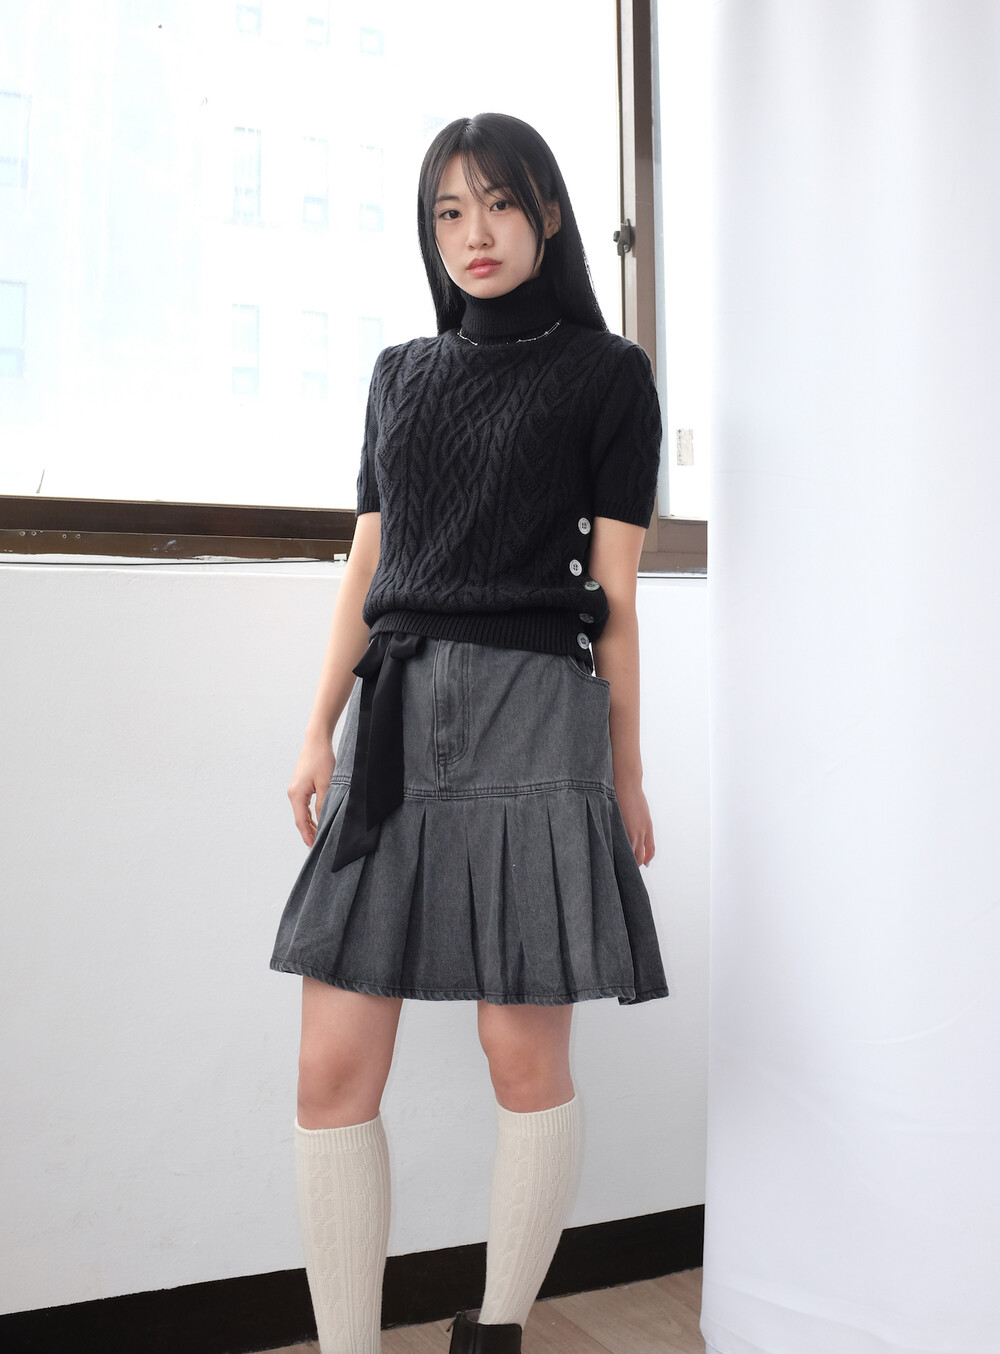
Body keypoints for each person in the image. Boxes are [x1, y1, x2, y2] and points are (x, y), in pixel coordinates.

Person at [269, 111, 669, 1354]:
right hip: (396, 718)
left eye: (497, 203)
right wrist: (317, 726)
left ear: (546, 213)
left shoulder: (608, 374)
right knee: (331, 1069)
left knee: (517, 1052)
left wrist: (625, 771)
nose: (473, 233)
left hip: (535, 715)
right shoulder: (401, 372)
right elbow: (368, 562)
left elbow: (615, 594)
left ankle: (492, 1333)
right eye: (448, 211)